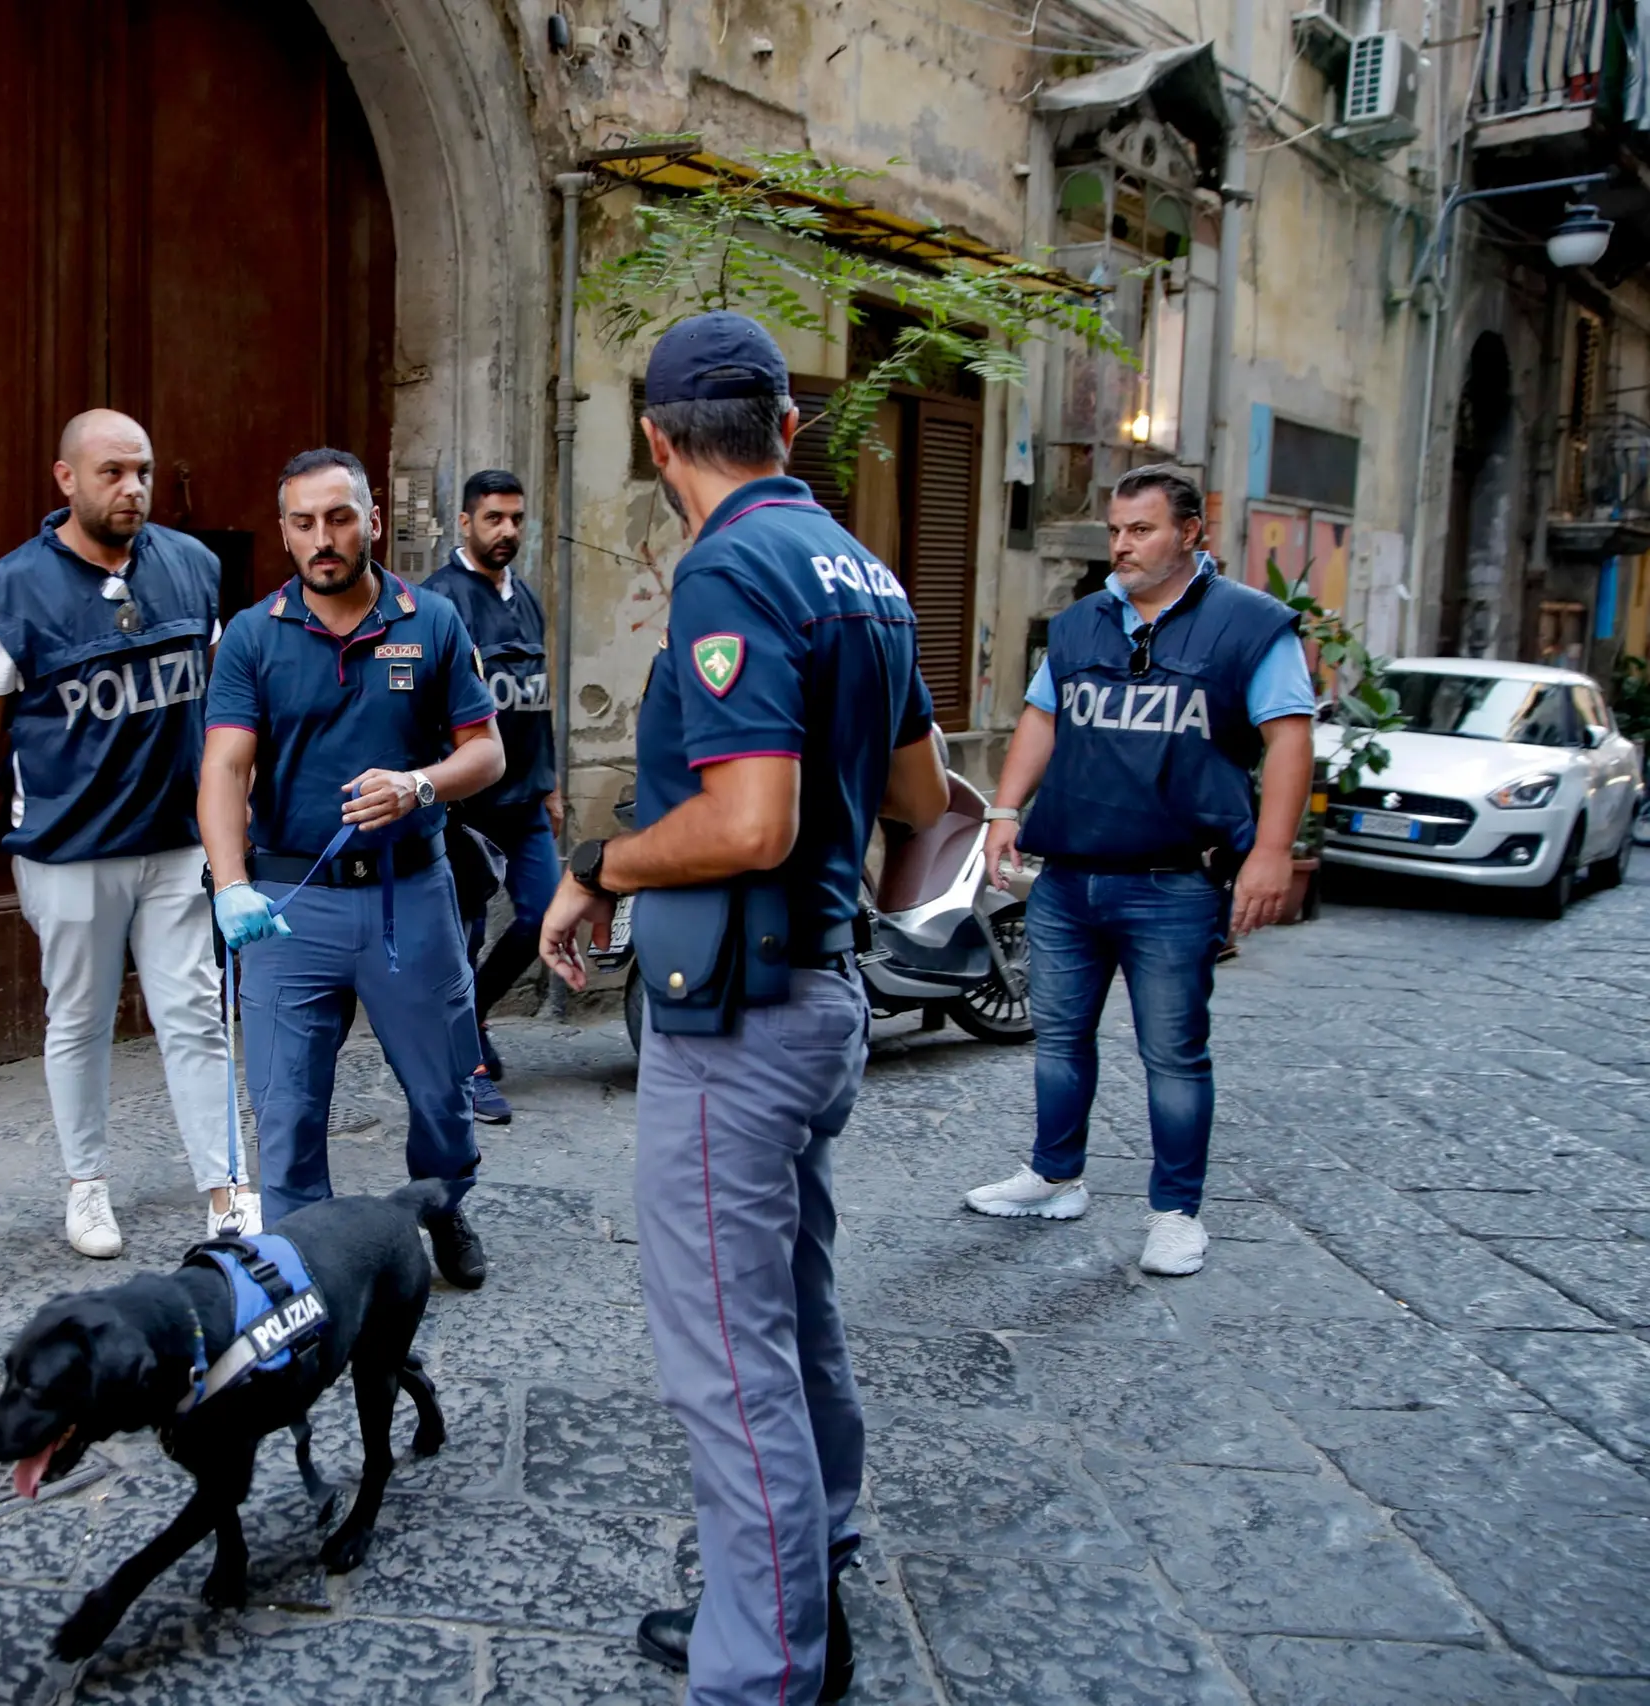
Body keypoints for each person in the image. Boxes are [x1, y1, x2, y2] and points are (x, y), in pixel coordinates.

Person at [542, 312, 950, 1705]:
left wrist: (602, 865)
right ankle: (812, 1563)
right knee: (795, 1299)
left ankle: (766, 1664)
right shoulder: (867, 570)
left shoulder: (729, 569)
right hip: (825, 994)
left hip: (741, 1017)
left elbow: (750, 819)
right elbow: (922, 798)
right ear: (787, 426)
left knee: (726, 1354)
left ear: (658, 440)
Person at [964, 465, 1314, 1278]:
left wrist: (1268, 852)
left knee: (1174, 1055)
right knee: (1057, 1038)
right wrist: (1005, 810)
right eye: (1117, 529)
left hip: (1174, 882)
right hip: (1069, 876)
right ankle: (1055, 1177)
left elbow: (1289, 738)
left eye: (1142, 529)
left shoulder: (1251, 627)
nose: (1122, 543)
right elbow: (1043, 716)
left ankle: (1176, 1213)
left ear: (1191, 532)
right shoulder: (1083, 622)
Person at [0, 409, 252, 1260]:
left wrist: (235, 803)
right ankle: (86, 1186)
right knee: (78, 1018)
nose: (133, 489)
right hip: (67, 847)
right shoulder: (12, 591)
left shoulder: (193, 567)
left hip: (175, 839)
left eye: (144, 471)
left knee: (194, 1013)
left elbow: (224, 698)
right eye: (113, 472)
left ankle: (226, 1186)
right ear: (66, 479)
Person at [199, 447, 504, 1289]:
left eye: (339, 519)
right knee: (287, 1110)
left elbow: (487, 754)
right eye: (304, 523)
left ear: (372, 521)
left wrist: (419, 784)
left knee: (443, 1093)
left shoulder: (432, 620)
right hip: (289, 908)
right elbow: (224, 769)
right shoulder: (255, 636)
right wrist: (230, 885)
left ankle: (441, 1209)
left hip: (411, 900)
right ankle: (310, 1269)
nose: (322, 539)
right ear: (286, 532)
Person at [419, 469, 562, 1125]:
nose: (507, 531)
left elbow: (537, 699)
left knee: (543, 916)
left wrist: (552, 781)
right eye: (494, 519)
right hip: (466, 810)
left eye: (516, 519)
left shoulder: (526, 597)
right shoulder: (438, 604)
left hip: (527, 804)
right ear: (465, 523)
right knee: (463, 941)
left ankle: (470, 1019)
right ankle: (464, 1069)